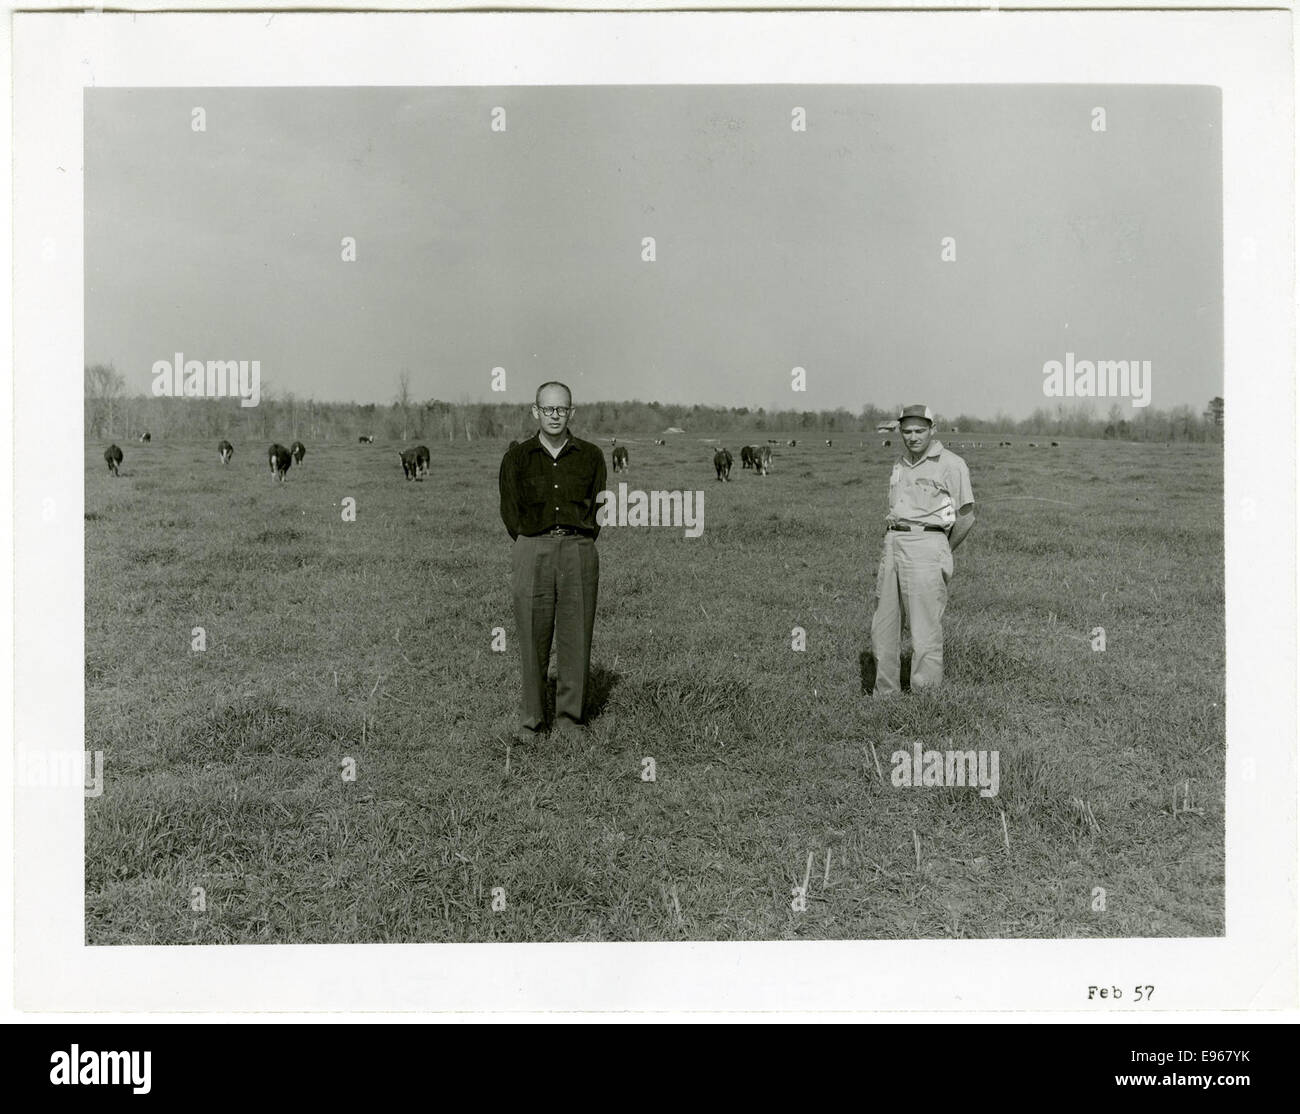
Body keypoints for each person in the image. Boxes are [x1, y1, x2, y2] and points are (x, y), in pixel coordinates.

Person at [498, 382, 606, 740]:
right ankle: (531, 722)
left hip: (578, 550)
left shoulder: (591, 456)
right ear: (535, 412)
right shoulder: (517, 457)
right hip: (532, 548)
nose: (555, 415)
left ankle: (569, 722)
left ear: (571, 412)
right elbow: (510, 512)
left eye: (562, 409)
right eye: (548, 409)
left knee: (576, 637)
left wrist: (577, 541)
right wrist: (533, 542)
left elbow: (599, 507)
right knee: (532, 636)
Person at [870, 404, 975, 695]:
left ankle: (925, 700)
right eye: (907, 431)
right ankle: (884, 695)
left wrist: (943, 548)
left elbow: (966, 515)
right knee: (883, 625)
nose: (913, 437)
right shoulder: (900, 464)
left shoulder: (951, 464)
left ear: (933, 429)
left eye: (919, 430)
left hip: (928, 544)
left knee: (924, 628)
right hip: (893, 542)